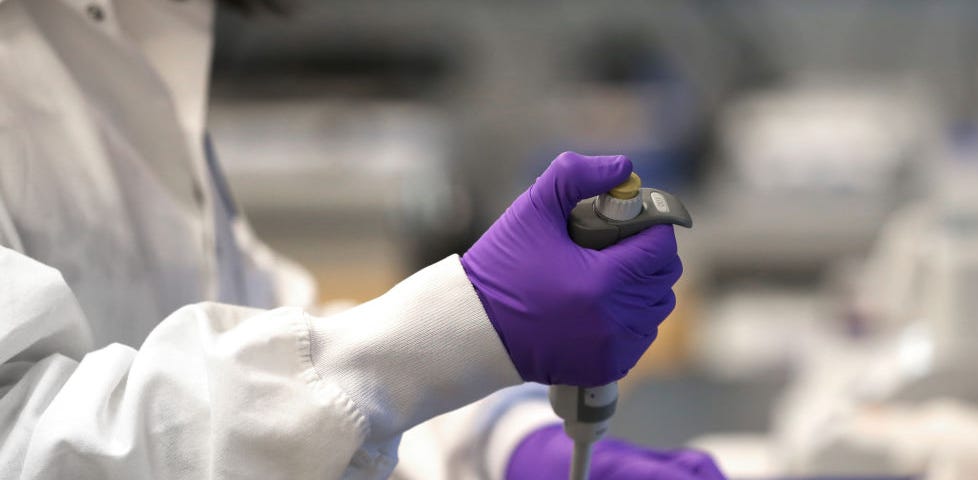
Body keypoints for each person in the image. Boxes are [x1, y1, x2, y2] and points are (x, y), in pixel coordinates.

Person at [0, 0, 726, 478]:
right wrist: (461, 326)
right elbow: (29, 446)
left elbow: (271, 339)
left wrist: (504, 440)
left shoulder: (118, 34)